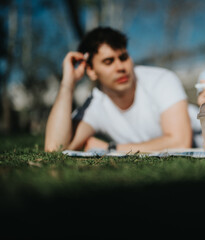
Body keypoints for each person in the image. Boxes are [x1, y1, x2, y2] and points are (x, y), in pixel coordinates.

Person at [45, 27, 192, 152]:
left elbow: (180, 143)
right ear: (91, 71)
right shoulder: (95, 105)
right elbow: (55, 148)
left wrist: (112, 148)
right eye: (108, 62)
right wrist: (67, 84)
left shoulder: (161, 80)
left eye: (123, 57)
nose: (120, 67)